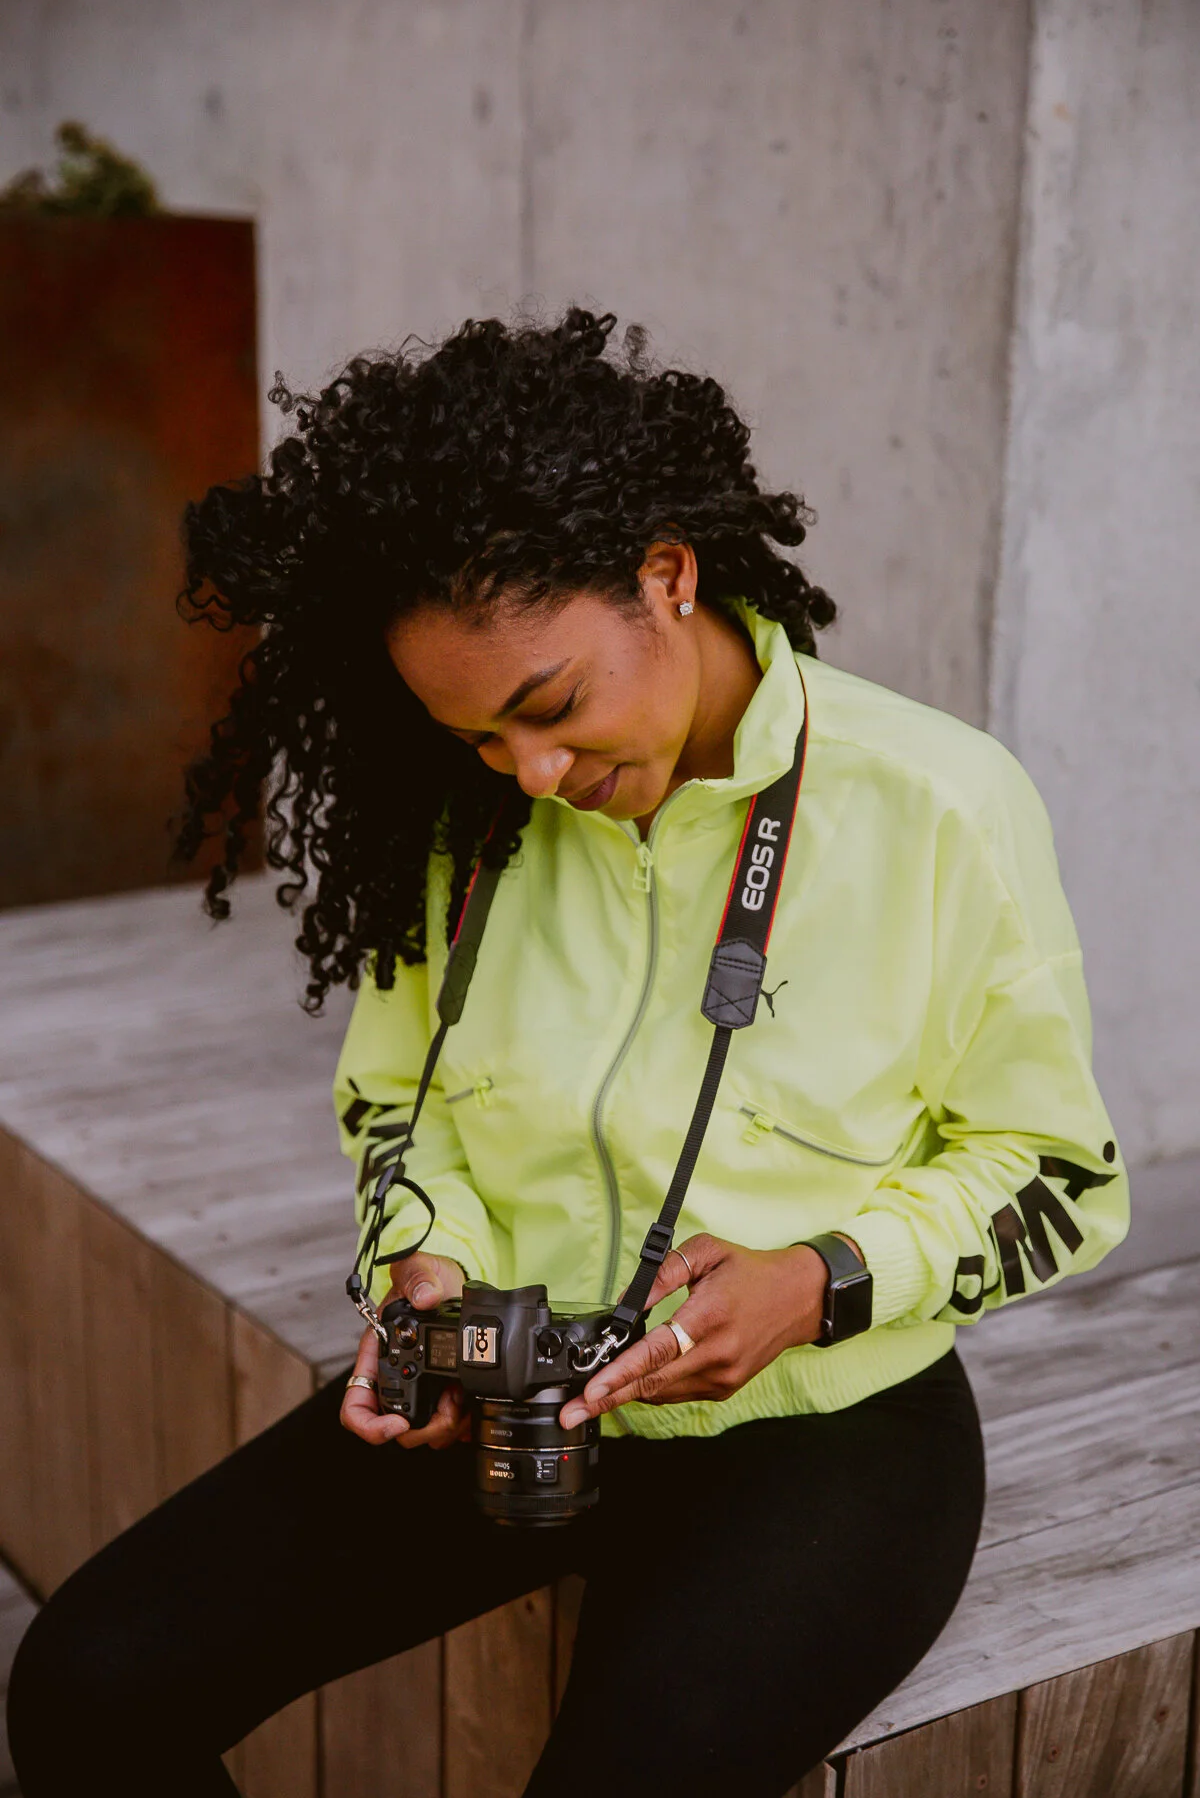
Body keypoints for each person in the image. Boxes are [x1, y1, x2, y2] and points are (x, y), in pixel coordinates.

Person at [8, 309, 1129, 1797]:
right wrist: (427, 1267)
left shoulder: (943, 805)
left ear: (667, 575)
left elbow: (1054, 1172)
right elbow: (400, 1105)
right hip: (510, 1387)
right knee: (85, 1688)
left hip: (824, 1431)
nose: (532, 773)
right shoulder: (472, 818)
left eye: (549, 706)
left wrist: (822, 1280)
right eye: (478, 736)